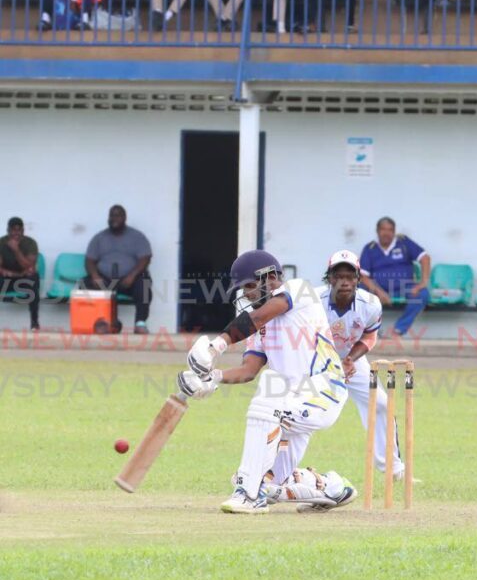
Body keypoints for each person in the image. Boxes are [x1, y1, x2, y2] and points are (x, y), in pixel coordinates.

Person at [176, 250, 358, 514]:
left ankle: (247, 495)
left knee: (270, 386)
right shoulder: (260, 327)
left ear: (270, 277)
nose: (248, 294)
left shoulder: (299, 290)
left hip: (323, 391)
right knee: (268, 484)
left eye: (250, 286)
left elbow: (257, 318)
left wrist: (216, 346)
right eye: (243, 290)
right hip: (290, 405)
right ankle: (330, 487)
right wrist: (211, 377)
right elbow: (248, 370)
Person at [320, 250, 407, 481]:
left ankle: (393, 469)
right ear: (330, 278)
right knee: (303, 412)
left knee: (381, 403)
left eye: (350, 276)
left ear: (358, 279)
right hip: (316, 360)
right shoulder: (313, 303)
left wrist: (350, 359)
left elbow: (369, 337)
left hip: (352, 359)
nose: (345, 281)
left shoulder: (371, 304)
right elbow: (306, 339)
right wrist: (334, 364)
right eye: (339, 276)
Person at [83, 205, 152, 335]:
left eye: (118, 215)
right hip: (105, 279)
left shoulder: (137, 237)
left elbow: (145, 258)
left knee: (144, 283)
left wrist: (132, 275)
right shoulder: (99, 238)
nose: (114, 218)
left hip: (129, 280)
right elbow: (89, 261)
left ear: (124, 218)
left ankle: (140, 324)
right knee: (85, 283)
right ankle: (104, 323)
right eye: (111, 215)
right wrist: (94, 275)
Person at [358, 217, 430, 337]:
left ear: (394, 231)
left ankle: (398, 330)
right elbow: (363, 276)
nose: (386, 233)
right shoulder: (370, 248)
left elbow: (425, 258)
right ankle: (369, 331)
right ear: (377, 231)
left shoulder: (404, 242)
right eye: (383, 230)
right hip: (379, 289)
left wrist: (423, 283)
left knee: (422, 293)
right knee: (359, 292)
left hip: (404, 287)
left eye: (390, 230)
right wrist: (379, 292)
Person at [0, 217, 40, 331]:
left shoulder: (31, 243)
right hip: (6, 278)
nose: (16, 233)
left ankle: (34, 323)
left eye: (19, 230)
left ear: (23, 230)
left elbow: (29, 266)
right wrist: (5, 271)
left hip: (23, 280)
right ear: (8, 230)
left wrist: (16, 250)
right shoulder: (1, 242)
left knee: (34, 279)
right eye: (13, 230)